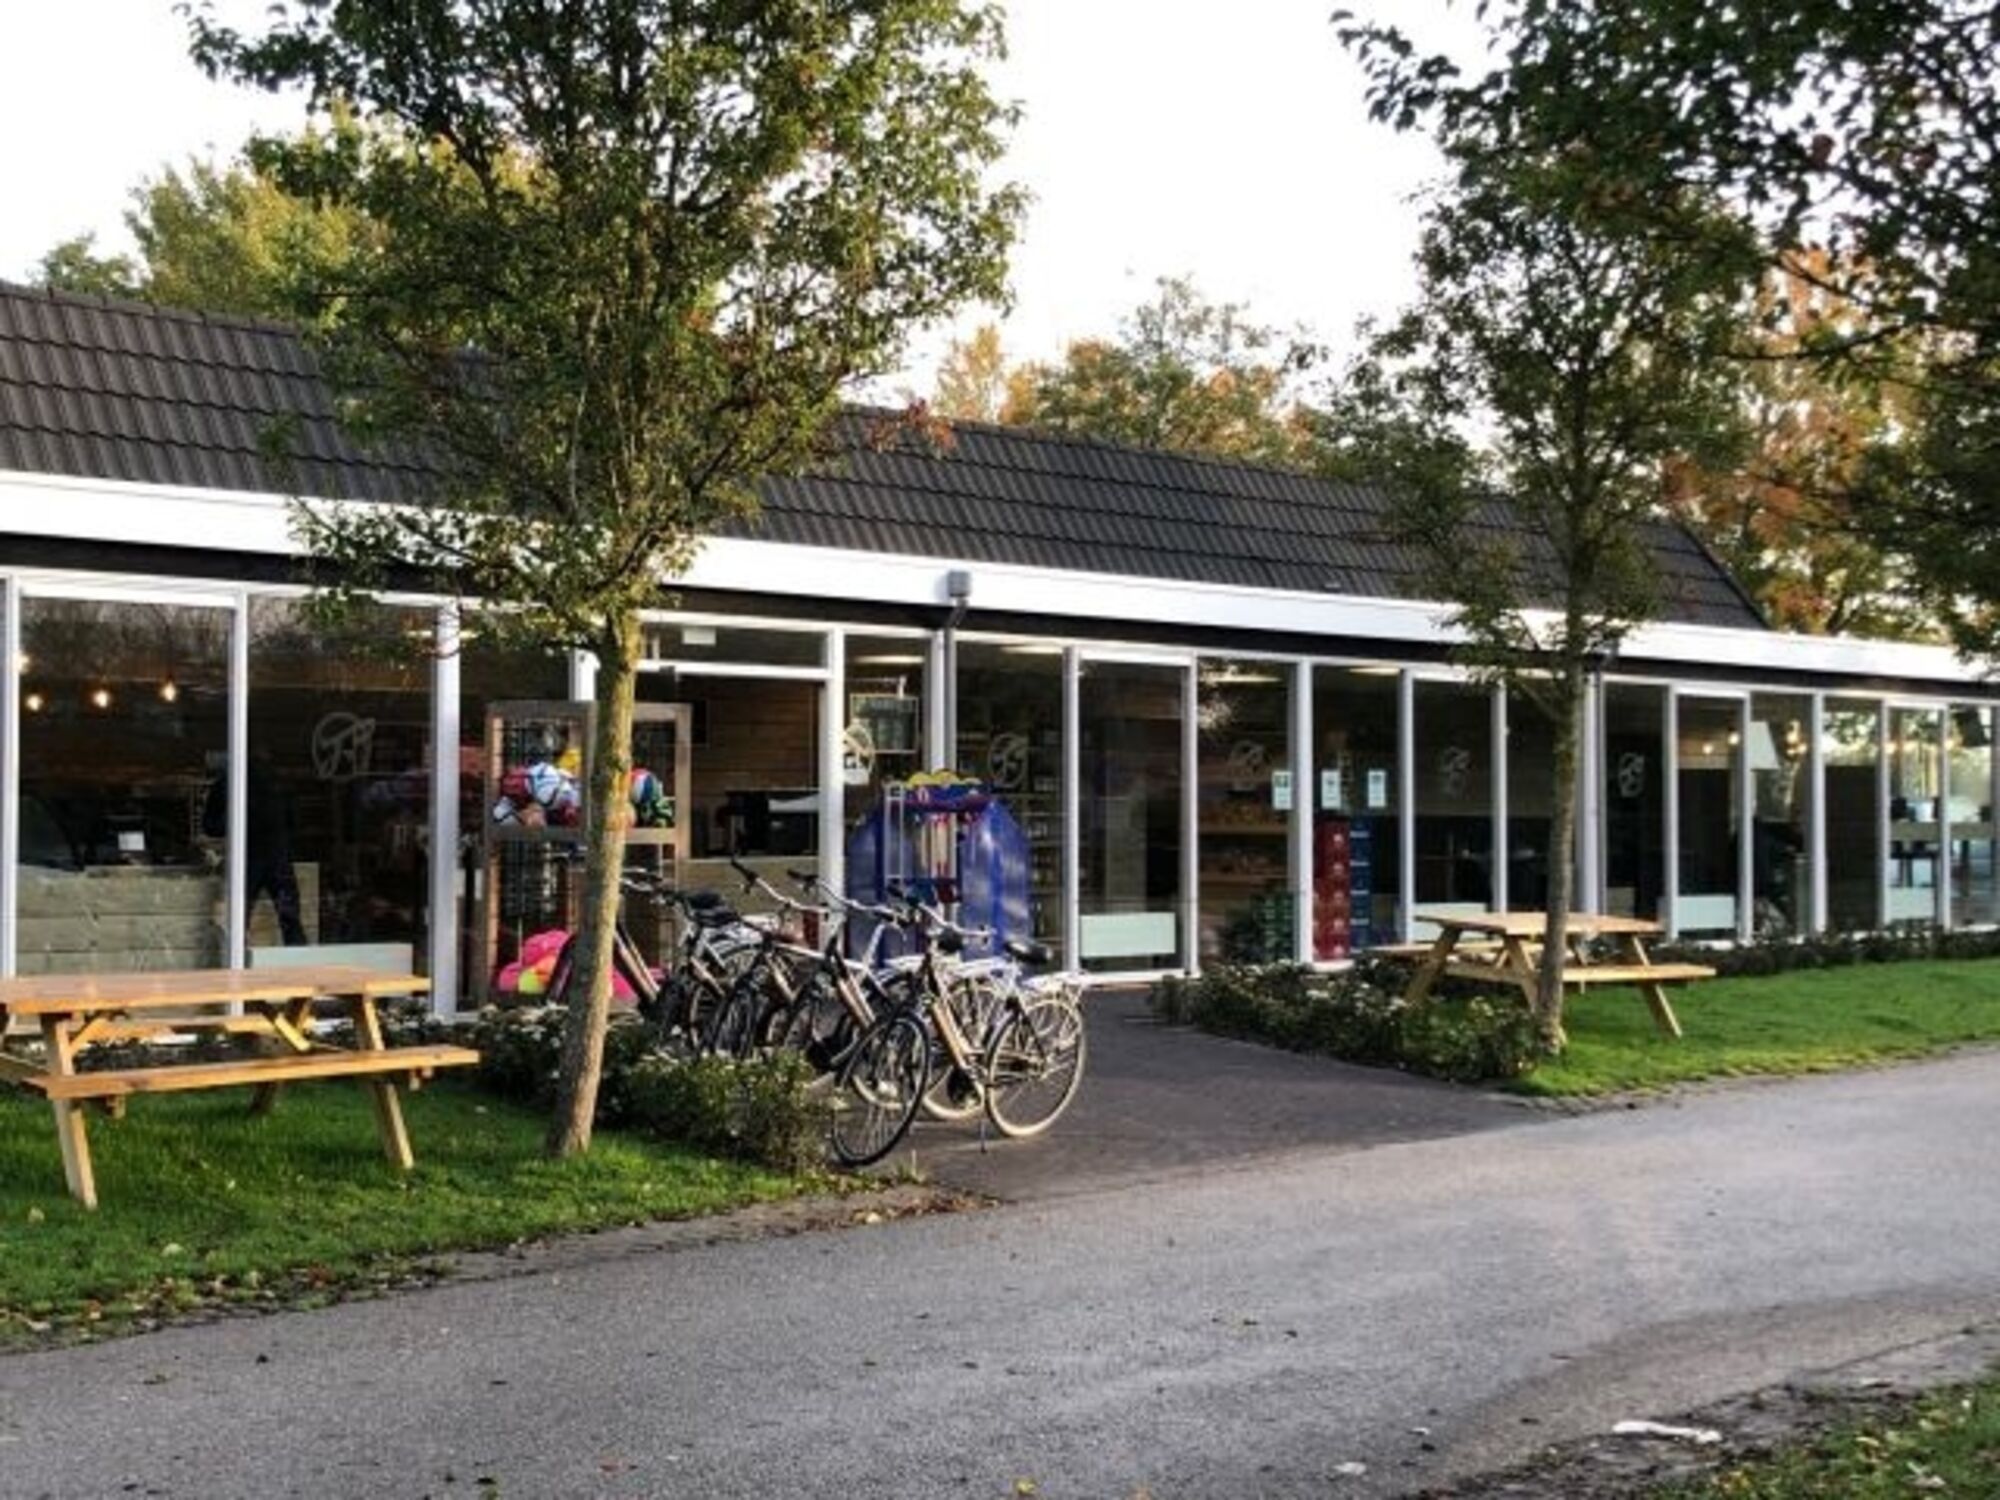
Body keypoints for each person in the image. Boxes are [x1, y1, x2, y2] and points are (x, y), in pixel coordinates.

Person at [204, 751, 309, 946]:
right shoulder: (279, 784)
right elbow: (295, 823)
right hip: (277, 860)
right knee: (290, 920)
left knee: (237, 923)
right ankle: (298, 961)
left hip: (247, 860)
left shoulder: (227, 784)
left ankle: (237, 961)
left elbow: (210, 827)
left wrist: (235, 823)